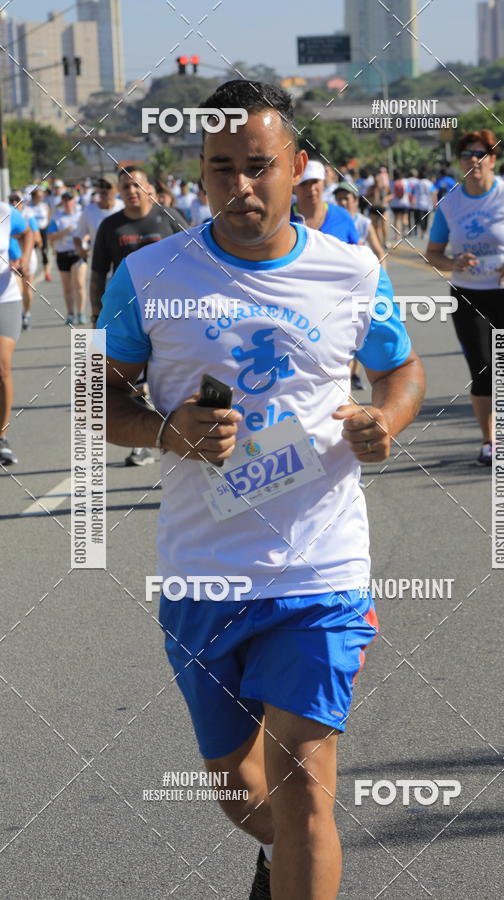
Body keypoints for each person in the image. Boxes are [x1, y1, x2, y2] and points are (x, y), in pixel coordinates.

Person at [98, 79, 425, 900]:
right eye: (221, 169)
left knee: (306, 790)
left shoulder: (351, 270)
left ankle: (299, 857)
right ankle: (283, 861)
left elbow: (400, 368)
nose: (240, 186)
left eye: (258, 166)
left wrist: (385, 419)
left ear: (297, 165)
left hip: (322, 569)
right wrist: (166, 430)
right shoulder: (148, 275)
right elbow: (93, 393)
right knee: (238, 786)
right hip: (204, 568)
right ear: (198, 173)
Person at [425, 129, 504, 465]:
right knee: (483, 370)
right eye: (467, 155)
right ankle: (489, 442)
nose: (473, 161)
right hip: (469, 294)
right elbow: (432, 253)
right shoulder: (450, 203)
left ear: (492, 160)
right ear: (459, 161)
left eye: (480, 154)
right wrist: (453, 262)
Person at [91, 164, 184, 466]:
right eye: (125, 186)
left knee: (168, 379)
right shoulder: (110, 227)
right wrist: (95, 313)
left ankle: (182, 432)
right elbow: (98, 273)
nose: (131, 191)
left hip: (175, 314)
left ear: (149, 189)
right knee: (127, 382)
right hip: (129, 316)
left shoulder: (169, 218)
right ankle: (145, 442)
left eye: (136, 185)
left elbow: (200, 257)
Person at [333, 180, 387, 392]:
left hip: (362, 285)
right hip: (338, 286)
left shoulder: (363, 223)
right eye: (339, 199)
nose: (343, 202)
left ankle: (353, 374)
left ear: (356, 200)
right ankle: (345, 375)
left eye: (346, 198)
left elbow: (379, 252)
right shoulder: (332, 220)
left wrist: (381, 281)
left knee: (356, 332)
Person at [0, 199, 33, 465]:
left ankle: (2, 437)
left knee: (2, 365)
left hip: (5, 298)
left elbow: (27, 232)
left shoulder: (5, 211)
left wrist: (25, 256)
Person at [73, 174, 126, 324]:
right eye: (100, 186)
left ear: (116, 189)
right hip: (99, 270)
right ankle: (96, 348)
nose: (103, 190)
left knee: (120, 314)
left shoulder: (123, 208)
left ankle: (117, 345)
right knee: (98, 314)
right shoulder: (89, 211)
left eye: (107, 186)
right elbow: (77, 236)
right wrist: (80, 249)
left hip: (121, 269)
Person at [291, 159, 359, 243]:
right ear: (293, 187)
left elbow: (358, 251)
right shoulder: (283, 220)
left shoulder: (342, 215)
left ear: (323, 183)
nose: (311, 188)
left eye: (315, 181)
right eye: (303, 183)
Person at [48, 191, 85, 326]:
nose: (68, 203)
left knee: (79, 284)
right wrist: (65, 231)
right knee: (67, 287)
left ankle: (80, 313)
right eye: (65, 200)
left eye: (70, 200)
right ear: (62, 203)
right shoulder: (57, 217)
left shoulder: (81, 215)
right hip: (62, 254)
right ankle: (70, 313)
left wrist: (85, 241)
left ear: (74, 201)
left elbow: (88, 233)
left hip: (77, 253)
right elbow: (50, 236)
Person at [8, 192, 41, 330]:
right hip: (11, 258)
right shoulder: (6, 215)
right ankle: (14, 320)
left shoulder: (28, 216)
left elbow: (37, 238)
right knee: (17, 290)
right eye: (12, 200)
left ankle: (26, 313)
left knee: (27, 289)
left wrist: (25, 255)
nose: (15, 203)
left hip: (27, 256)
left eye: (18, 200)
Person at [29, 188, 52, 281]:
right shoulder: (29, 206)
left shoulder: (45, 206)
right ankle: (31, 273)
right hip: (32, 232)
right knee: (32, 253)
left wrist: (46, 227)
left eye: (42, 196)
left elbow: (49, 217)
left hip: (43, 230)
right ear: (34, 197)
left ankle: (47, 273)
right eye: (39, 196)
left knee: (44, 251)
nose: (41, 198)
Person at [365, 169, 392, 249]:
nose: (377, 181)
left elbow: (391, 195)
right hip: (374, 209)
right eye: (376, 179)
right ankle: (379, 243)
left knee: (384, 227)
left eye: (379, 179)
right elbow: (365, 197)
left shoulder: (385, 187)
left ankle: (385, 241)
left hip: (383, 208)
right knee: (376, 227)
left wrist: (386, 199)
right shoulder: (371, 188)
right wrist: (371, 200)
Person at [409, 168, 437, 238]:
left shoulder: (417, 183)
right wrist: (435, 203)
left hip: (419, 204)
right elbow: (433, 193)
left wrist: (412, 202)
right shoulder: (429, 183)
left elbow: (413, 194)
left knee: (420, 218)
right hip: (427, 204)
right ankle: (424, 232)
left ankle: (419, 231)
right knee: (426, 218)